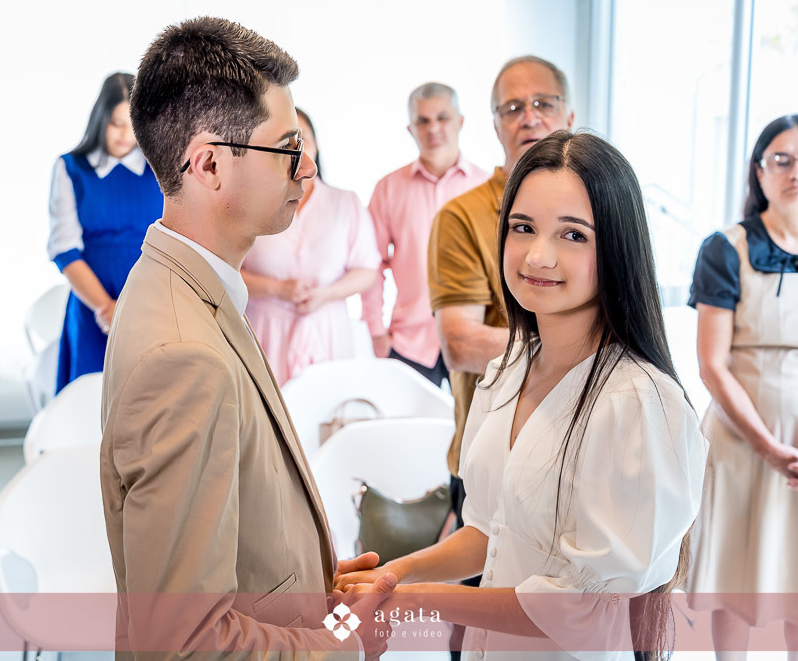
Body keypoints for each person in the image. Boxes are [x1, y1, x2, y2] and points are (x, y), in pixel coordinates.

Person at [338, 130, 708, 661]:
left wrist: (424, 601)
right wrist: (398, 573)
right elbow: (493, 531)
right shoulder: (512, 368)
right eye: (523, 227)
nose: (538, 255)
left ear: (618, 248)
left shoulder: (639, 403)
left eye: (573, 235)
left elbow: (586, 608)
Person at [99, 17, 394, 659]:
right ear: (208, 164)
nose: (307, 167)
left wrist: (312, 591)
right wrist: (347, 641)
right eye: (287, 148)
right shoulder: (184, 355)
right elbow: (184, 643)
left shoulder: (184, 284)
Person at [686, 114, 798, 661]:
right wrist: (768, 447)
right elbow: (712, 365)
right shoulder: (725, 248)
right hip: (744, 442)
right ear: (759, 173)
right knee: (734, 577)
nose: (797, 171)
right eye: (781, 160)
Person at [427, 56, 575, 602]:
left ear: (570, 113)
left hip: (580, 455)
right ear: (494, 125)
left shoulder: (607, 210)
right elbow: (463, 343)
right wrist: (577, 344)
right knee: (476, 618)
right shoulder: (464, 218)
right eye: (513, 107)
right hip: (492, 459)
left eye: (543, 104)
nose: (529, 117)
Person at [361, 83, 488, 386]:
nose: (433, 128)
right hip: (409, 343)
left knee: (475, 432)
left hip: (476, 336)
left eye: (442, 118)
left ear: (460, 122)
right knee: (407, 433)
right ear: (410, 128)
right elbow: (371, 264)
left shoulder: (489, 189)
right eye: (423, 120)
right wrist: (377, 332)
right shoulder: (388, 189)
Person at [241, 107, 380, 386]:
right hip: (265, 330)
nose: (298, 152)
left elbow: (367, 270)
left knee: (328, 416)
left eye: (305, 142)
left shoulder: (346, 203)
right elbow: (226, 269)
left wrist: (326, 294)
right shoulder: (248, 205)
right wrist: (277, 289)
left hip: (328, 332)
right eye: (287, 144)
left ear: (317, 147)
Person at [47, 72, 164, 393]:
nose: (126, 135)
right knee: (89, 408)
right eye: (116, 124)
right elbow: (65, 250)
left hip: (152, 308)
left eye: (133, 124)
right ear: (100, 119)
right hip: (93, 309)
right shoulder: (71, 169)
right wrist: (106, 309)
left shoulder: (161, 168)